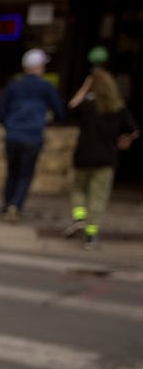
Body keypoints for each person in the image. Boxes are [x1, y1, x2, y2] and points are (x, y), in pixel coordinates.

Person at [66, 66, 139, 251]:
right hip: (106, 158)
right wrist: (125, 140)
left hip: (83, 156)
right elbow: (134, 130)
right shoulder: (119, 108)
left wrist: (84, 88)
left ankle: (79, 218)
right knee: (97, 198)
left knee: (78, 189)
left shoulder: (89, 106)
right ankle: (91, 235)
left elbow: (71, 107)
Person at [0, 48, 64, 222]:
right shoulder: (45, 87)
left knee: (12, 172)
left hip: (13, 135)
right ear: (40, 67)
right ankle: (15, 206)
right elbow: (59, 110)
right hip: (33, 136)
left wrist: (10, 125)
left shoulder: (14, 85)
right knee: (25, 174)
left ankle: (7, 205)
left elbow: (1, 111)